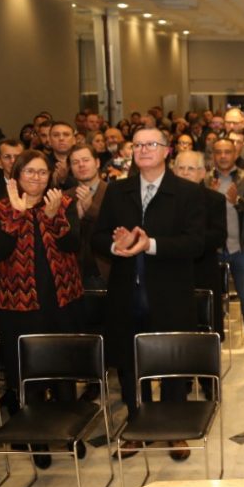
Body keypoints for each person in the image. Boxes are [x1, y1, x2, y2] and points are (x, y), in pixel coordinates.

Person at [92, 128, 206, 460]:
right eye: (138, 145)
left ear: (167, 151)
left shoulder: (186, 192)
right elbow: (97, 238)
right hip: (127, 292)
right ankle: (137, 429)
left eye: (151, 144)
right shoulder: (118, 191)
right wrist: (117, 245)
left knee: (171, 362)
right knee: (129, 365)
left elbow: (195, 242)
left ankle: (174, 431)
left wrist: (150, 244)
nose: (143, 150)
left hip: (170, 293)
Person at [0, 150, 85, 467]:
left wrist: (55, 219)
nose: (36, 178)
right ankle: (38, 438)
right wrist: (16, 215)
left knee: (64, 369)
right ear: (16, 175)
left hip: (62, 301)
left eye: (42, 172)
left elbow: (73, 246)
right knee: (28, 373)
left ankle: (71, 434)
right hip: (18, 306)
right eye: (29, 172)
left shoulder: (63, 203)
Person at [208, 140, 244, 357]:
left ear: (235, 154)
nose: (223, 156)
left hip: (242, 246)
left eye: (227, 152)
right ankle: (215, 341)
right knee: (214, 296)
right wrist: (210, 196)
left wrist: (238, 200)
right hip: (214, 249)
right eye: (219, 152)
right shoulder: (206, 180)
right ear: (213, 155)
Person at [173, 150, 228, 345]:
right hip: (172, 273)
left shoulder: (214, 200)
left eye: (191, 168)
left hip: (203, 271)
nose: (185, 173)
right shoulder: (164, 200)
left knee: (205, 333)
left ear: (202, 173)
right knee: (177, 333)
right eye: (181, 168)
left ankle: (207, 374)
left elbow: (219, 236)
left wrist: (187, 239)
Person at [64, 144, 110, 289]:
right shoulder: (64, 197)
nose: (81, 165)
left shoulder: (114, 192)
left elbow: (115, 228)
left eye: (85, 160)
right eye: (75, 162)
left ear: (97, 163)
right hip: (73, 274)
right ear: (70, 168)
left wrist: (90, 208)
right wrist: (76, 218)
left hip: (107, 271)